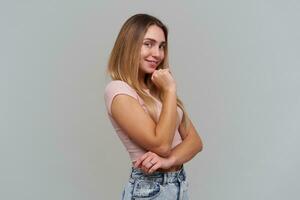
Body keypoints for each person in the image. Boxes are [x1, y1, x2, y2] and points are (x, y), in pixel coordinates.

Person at [104, 13, 203, 200]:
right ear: (130, 45)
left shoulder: (158, 90)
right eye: (148, 44)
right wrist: (171, 90)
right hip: (150, 190)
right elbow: (161, 145)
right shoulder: (119, 90)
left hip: (178, 185)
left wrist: (169, 160)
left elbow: (195, 142)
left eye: (161, 46)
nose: (157, 54)